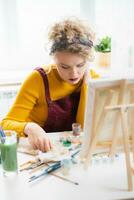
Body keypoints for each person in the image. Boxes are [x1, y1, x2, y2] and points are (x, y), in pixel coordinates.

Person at [0, 17, 95, 152]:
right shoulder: (38, 79)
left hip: (68, 150)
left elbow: (85, 129)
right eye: (64, 66)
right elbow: (5, 125)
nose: (74, 74)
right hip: (38, 151)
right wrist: (30, 127)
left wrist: (87, 86)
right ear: (54, 59)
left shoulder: (93, 79)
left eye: (80, 65)